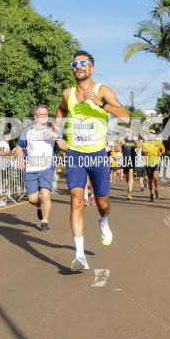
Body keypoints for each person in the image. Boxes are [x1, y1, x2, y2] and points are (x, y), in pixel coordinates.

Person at [55, 50, 130, 273]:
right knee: (76, 201)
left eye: (83, 63)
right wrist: (58, 132)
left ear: (92, 68)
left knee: (102, 203)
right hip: (76, 154)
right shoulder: (68, 93)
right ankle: (80, 256)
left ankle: (103, 221)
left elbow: (125, 116)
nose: (78, 66)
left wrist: (100, 103)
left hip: (98, 154)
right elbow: (60, 110)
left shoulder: (102, 90)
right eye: (75, 63)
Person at [13, 105, 65, 232]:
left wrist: (55, 135)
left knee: (46, 195)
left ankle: (44, 222)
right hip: (31, 168)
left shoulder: (54, 130)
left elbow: (64, 147)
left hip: (47, 167)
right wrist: (20, 160)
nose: (44, 117)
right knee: (32, 199)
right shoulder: (28, 131)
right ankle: (39, 205)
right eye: (40, 115)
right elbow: (19, 148)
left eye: (46, 115)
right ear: (35, 117)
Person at [140, 130, 165, 202]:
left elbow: (163, 149)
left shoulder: (158, 143)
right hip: (148, 163)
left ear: (154, 135)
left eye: (152, 134)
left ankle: (156, 189)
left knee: (156, 177)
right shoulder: (145, 143)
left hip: (156, 162)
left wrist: (161, 152)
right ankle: (151, 194)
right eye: (150, 134)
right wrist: (143, 152)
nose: (151, 135)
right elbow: (142, 153)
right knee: (150, 180)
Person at [120, 130, 139, 200]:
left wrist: (136, 141)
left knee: (131, 175)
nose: (128, 133)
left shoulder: (134, 140)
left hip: (132, 159)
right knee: (127, 176)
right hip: (125, 159)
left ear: (131, 133)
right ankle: (129, 188)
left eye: (129, 132)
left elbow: (139, 146)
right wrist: (120, 143)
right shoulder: (123, 140)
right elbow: (117, 148)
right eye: (127, 132)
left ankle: (129, 192)